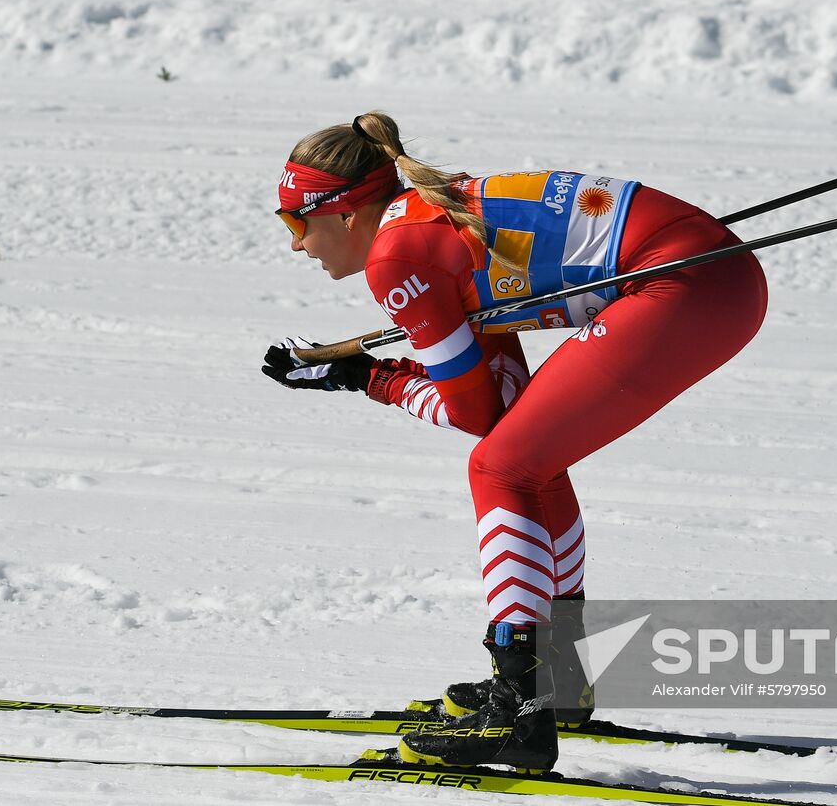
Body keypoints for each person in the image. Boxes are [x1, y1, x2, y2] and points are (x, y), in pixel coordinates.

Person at [262, 111, 767, 771]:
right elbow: (498, 403)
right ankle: (556, 680)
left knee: (499, 466)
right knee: (526, 454)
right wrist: (368, 370)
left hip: (685, 282)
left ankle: (518, 710)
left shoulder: (398, 255)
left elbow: (470, 410)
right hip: (705, 275)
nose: (297, 245)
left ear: (346, 212)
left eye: (295, 222)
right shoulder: (423, 221)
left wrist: (370, 376)